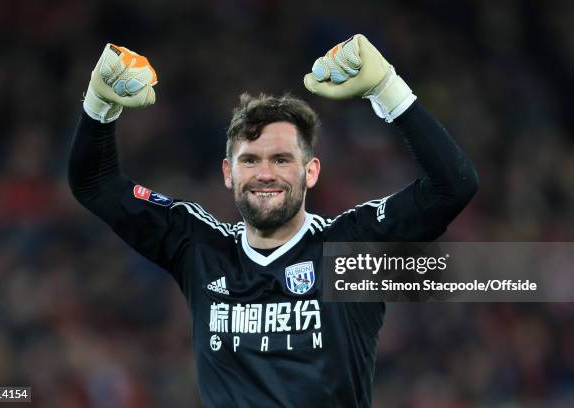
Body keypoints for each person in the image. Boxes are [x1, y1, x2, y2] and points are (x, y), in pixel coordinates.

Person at [69, 35, 478, 407]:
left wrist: (386, 88)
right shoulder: (199, 248)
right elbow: (95, 185)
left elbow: (454, 186)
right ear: (229, 173)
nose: (265, 174)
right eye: (250, 160)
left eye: (281, 159)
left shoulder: (350, 248)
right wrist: (98, 106)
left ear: (311, 171)